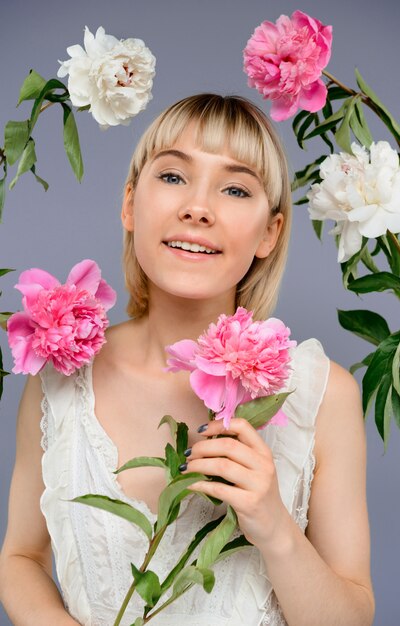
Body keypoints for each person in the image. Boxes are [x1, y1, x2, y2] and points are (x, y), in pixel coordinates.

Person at [0, 94, 374, 625]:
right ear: (130, 204)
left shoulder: (323, 395)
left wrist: (273, 526)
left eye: (236, 188)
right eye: (174, 177)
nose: (198, 207)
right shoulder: (60, 376)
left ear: (270, 232)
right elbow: (20, 558)